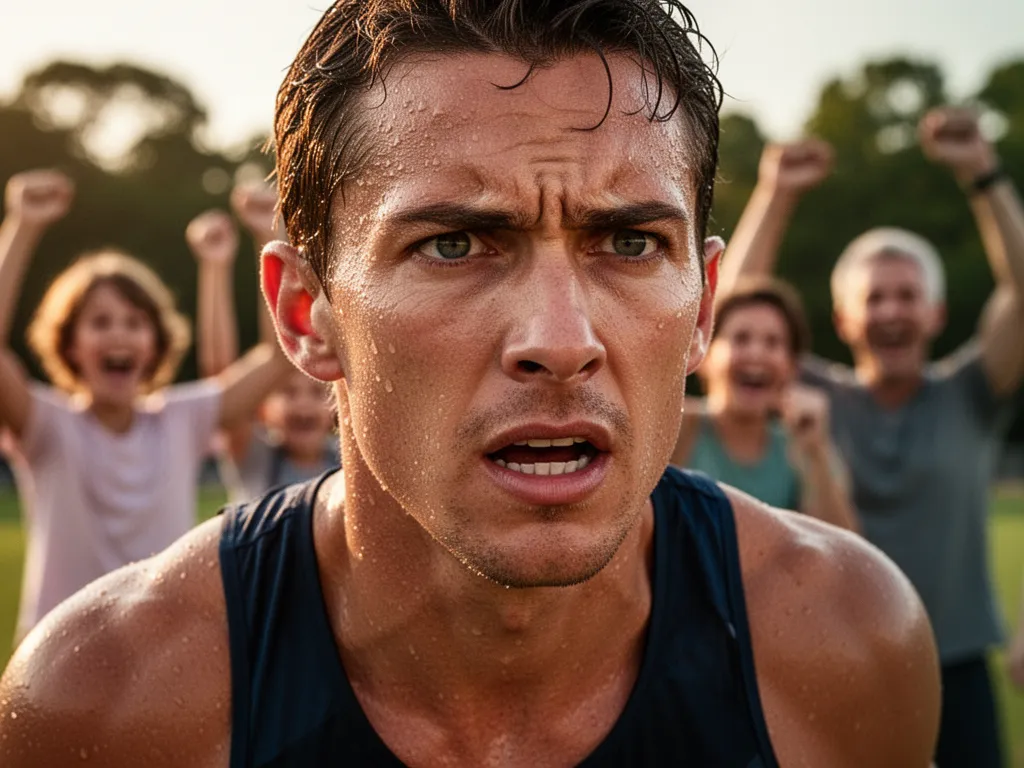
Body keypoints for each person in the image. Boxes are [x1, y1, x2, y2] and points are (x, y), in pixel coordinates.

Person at [0, 2, 940, 766]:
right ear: (304, 314)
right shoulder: (109, 704)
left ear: (702, 308)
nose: (560, 341)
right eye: (454, 244)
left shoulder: (845, 645)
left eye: (627, 242)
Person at [717, 117, 1024, 767]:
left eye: (907, 296)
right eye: (874, 297)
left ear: (935, 314)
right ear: (843, 318)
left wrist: (984, 177)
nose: (891, 311)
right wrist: (776, 194)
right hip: (835, 662)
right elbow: (733, 313)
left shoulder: (970, 391)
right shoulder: (814, 397)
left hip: (959, 668)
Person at [0, 169, 294, 643]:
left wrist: (268, 235)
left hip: (161, 653)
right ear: (70, 345)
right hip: (56, 656)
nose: (119, 333)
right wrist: (21, 225)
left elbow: (280, 356)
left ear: (154, 345)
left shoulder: (183, 419)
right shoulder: (47, 426)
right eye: (100, 322)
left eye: (135, 322)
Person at [187, 188, 338, 504]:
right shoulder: (255, 457)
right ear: (263, 405)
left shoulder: (344, 462)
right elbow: (222, 377)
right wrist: (215, 267)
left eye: (315, 392)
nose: (302, 405)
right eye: (288, 392)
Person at [672, 276, 858, 530]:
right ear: (704, 354)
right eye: (741, 338)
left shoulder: (803, 448)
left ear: (792, 367)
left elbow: (843, 552)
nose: (756, 353)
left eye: (773, 342)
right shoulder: (677, 428)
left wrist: (815, 452)